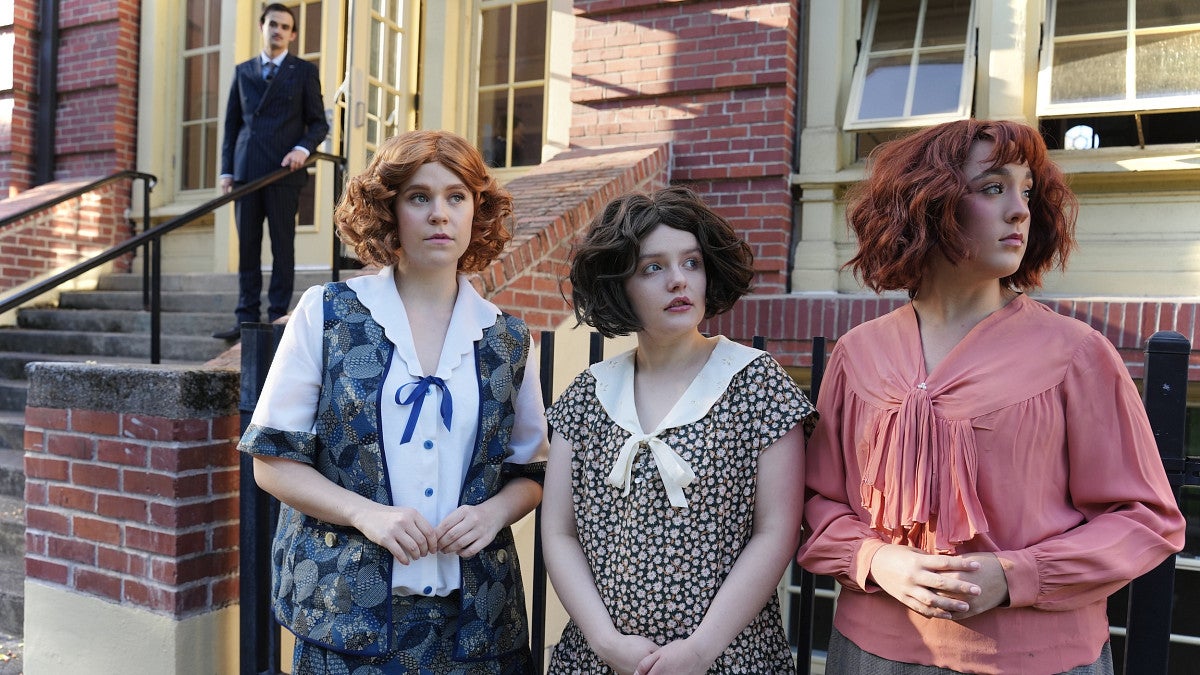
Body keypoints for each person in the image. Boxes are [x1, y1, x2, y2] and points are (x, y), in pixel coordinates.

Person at [796, 119, 1186, 675]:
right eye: (993, 187)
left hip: (1037, 663)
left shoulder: (1076, 353)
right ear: (925, 202)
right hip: (866, 654)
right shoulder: (858, 354)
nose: (1021, 210)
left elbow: (1147, 520)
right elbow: (816, 504)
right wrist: (876, 560)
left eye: (1027, 191)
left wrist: (1015, 575)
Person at [239, 130, 548, 674]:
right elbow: (273, 461)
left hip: (477, 629)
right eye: (418, 197)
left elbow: (532, 470)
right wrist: (367, 514)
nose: (439, 214)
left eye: (457, 197)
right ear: (389, 210)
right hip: (348, 622)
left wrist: (494, 512)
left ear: (478, 210)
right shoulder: (328, 314)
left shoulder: (508, 338)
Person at [541, 186, 817, 674]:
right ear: (618, 284)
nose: (677, 281)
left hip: (729, 657)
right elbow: (559, 533)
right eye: (653, 268)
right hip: (601, 660)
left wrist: (697, 652)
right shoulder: (587, 395)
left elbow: (775, 532)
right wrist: (607, 644)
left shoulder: (755, 381)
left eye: (691, 263)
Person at [214, 3, 330, 340]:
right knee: (247, 247)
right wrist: (226, 171)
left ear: (292, 34)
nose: (278, 31)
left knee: (283, 245)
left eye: (285, 27)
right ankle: (245, 317)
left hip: (283, 172)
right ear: (262, 27)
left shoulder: (303, 71)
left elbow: (318, 123)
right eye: (272, 24)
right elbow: (231, 126)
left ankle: (278, 313)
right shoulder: (243, 71)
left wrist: (302, 149)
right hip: (246, 173)